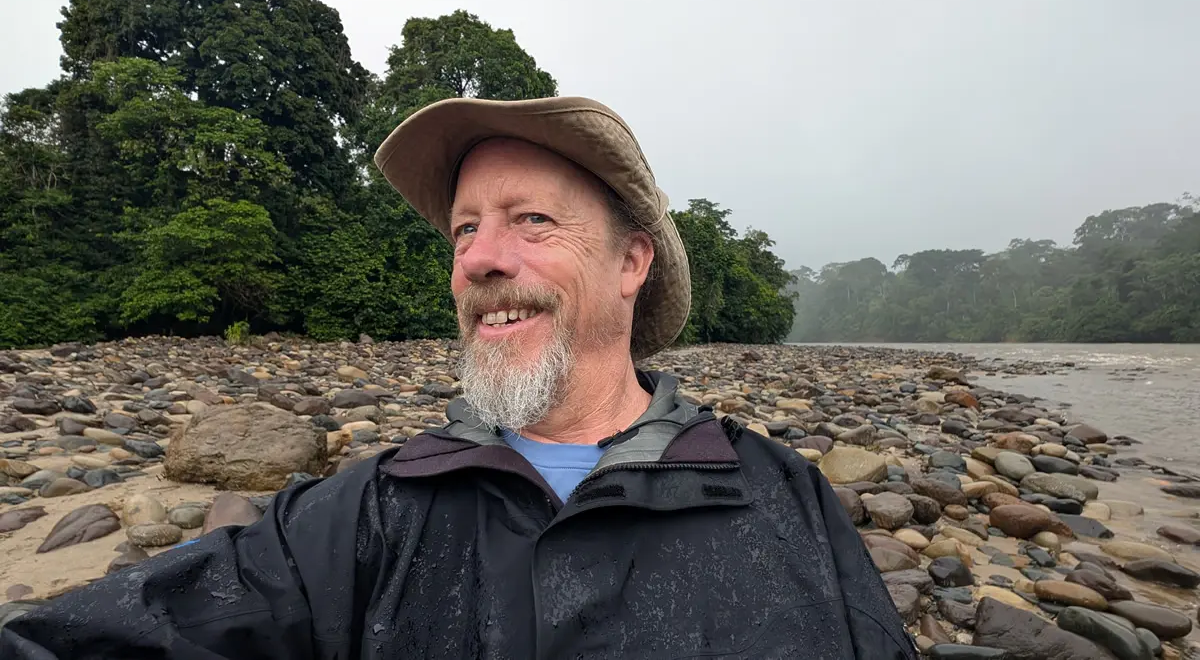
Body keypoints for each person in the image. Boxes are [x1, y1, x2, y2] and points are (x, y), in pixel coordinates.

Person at [0, 97, 916, 659]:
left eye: (529, 220)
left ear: (632, 261)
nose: (481, 258)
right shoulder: (370, 509)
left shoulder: (781, 497)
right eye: (464, 228)